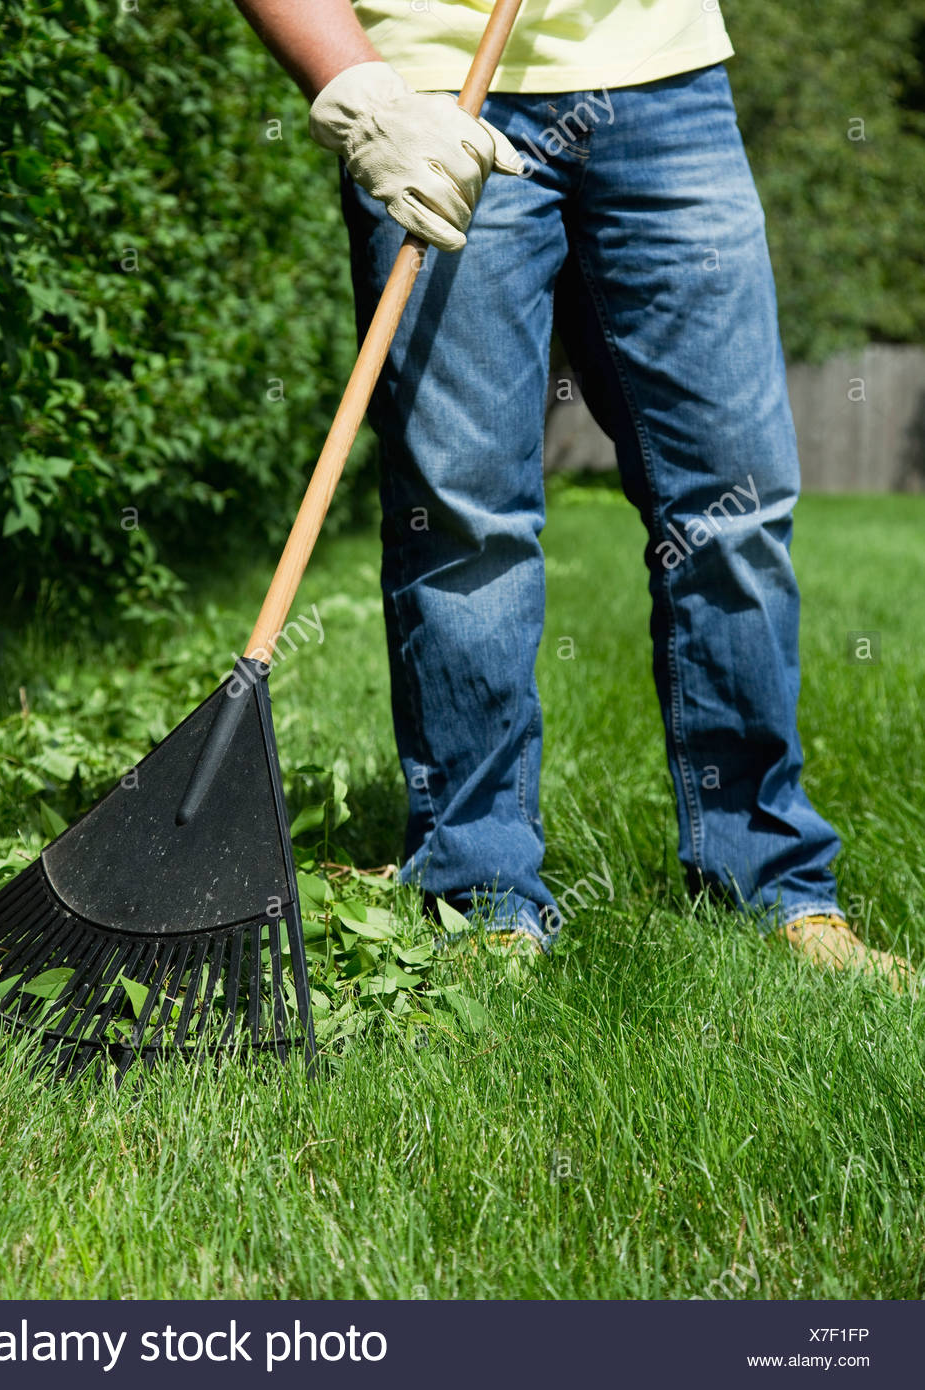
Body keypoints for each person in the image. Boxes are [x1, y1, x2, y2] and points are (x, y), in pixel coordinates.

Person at [235, 0, 910, 990]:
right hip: (432, 87)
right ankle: (481, 894)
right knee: (463, 517)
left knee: (735, 504)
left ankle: (769, 880)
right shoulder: (399, 98)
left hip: (668, 81)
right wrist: (361, 96)